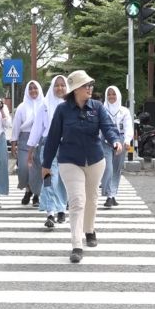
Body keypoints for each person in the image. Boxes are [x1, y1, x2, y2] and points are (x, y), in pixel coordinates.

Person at [42, 70, 122, 263]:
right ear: (76, 89)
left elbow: (108, 127)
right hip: (69, 160)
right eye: (86, 85)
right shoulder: (62, 110)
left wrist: (115, 141)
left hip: (95, 160)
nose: (90, 88)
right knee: (77, 200)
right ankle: (77, 244)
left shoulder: (97, 107)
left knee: (92, 198)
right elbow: (52, 138)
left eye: (90, 85)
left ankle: (89, 230)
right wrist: (46, 165)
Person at [27, 75, 68, 228]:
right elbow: (37, 129)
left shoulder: (71, 104)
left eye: (62, 85)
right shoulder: (45, 105)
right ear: (52, 87)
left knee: (63, 179)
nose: (60, 88)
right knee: (50, 177)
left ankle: (62, 208)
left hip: (67, 146)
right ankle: (50, 212)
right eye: (56, 85)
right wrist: (30, 151)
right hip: (48, 146)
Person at [10, 80, 44, 207]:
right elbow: (16, 126)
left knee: (38, 169)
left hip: (40, 141)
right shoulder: (21, 107)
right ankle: (28, 190)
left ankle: (36, 195)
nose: (33, 91)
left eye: (35, 88)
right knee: (24, 168)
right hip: (25, 140)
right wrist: (14, 143)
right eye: (30, 88)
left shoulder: (45, 105)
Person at [100, 85, 133, 208]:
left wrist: (128, 140)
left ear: (118, 95)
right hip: (105, 141)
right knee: (107, 168)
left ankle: (112, 195)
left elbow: (128, 126)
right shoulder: (102, 109)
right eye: (109, 94)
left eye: (114, 94)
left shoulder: (124, 111)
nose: (111, 97)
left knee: (116, 169)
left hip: (121, 140)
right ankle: (108, 194)